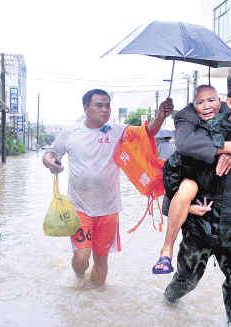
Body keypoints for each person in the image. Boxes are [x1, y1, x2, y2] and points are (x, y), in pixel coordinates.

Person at [163, 70, 231, 326]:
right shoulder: (206, 133)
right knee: (186, 281)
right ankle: (169, 298)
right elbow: (173, 171)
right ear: (230, 102)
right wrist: (185, 206)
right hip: (200, 228)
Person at [42, 89, 173, 287]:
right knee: (81, 256)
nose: (105, 110)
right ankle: (78, 280)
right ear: (86, 108)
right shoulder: (71, 133)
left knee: (101, 260)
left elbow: (148, 132)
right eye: (99, 105)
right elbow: (50, 153)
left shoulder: (117, 131)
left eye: (108, 105)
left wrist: (161, 116)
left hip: (108, 209)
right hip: (79, 208)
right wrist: (51, 162)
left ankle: (95, 300)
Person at [152, 83, 231, 274]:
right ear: (193, 105)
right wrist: (227, 147)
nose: (207, 106)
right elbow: (174, 171)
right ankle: (166, 250)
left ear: (224, 102)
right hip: (199, 212)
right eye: (200, 102)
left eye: (211, 100)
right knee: (185, 281)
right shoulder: (191, 127)